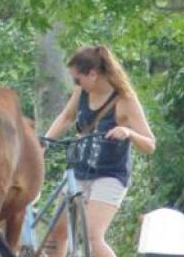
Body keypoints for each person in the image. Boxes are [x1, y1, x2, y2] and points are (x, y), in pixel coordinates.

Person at [43, 45, 156, 257]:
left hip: (110, 175)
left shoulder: (125, 100)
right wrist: (44, 143)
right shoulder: (82, 93)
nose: (76, 84)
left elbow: (150, 144)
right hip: (78, 171)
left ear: (93, 75)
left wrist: (128, 133)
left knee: (92, 236)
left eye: (78, 79)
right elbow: (67, 116)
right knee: (56, 233)